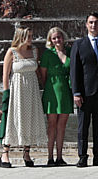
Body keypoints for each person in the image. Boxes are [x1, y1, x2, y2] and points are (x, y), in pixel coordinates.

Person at [0, 27, 48, 168]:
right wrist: (6, 92)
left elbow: (38, 70)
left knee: (30, 118)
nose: (30, 39)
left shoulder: (34, 51)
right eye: (28, 36)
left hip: (31, 89)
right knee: (14, 118)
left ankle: (26, 153)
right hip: (17, 89)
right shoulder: (12, 52)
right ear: (20, 36)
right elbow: (5, 75)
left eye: (31, 36)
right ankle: (5, 153)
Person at [70, 13, 98, 167]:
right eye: (90, 23)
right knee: (83, 127)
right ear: (86, 25)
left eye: (96, 22)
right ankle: (82, 156)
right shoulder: (79, 44)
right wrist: (76, 92)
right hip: (84, 93)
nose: (93, 25)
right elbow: (74, 70)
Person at [38, 26, 72, 166]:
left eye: (59, 37)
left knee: (62, 126)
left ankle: (60, 157)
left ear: (63, 37)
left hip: (66, 92)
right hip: (51, 92)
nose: (57, 40)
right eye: (54, 38)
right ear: (50, 41)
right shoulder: (47, 54)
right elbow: (43, 76)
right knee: (52, 125)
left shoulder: (70, 52)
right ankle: (50, 157)